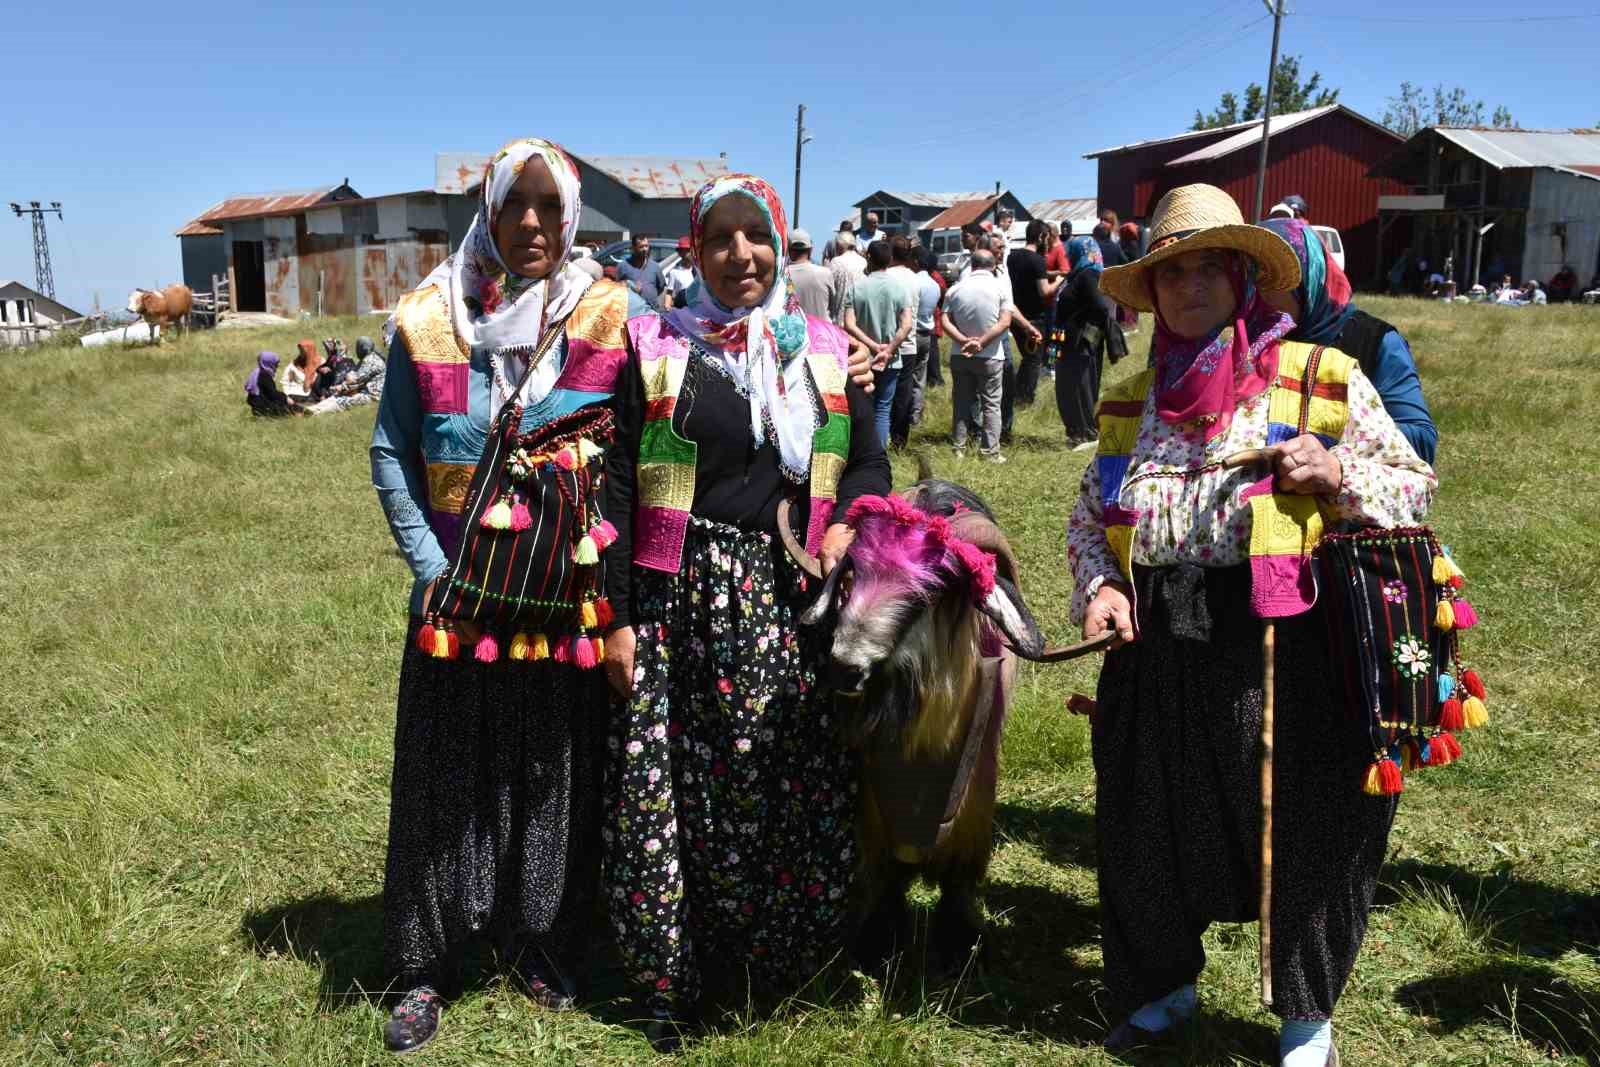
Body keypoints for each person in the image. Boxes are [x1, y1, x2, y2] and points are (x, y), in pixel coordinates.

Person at [1071, 183, 1435, 1067]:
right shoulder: (1129, 402)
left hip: (1284, 644)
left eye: (1208, 266)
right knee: (1145, 818)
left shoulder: (1317, 379)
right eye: (1170, 271)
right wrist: (1099, 589)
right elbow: (1090, 519)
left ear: (1243, 277)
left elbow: (1414, 486)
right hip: (1155, 643)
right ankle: (1163, 986)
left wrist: (1334, 468)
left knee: (1303, 826)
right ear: (1150, 292)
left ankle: (1306, 1018)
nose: (1189, 285)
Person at [602, 172, 890, 1052]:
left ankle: (780, 957)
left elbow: (871, 463)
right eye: (719, 237)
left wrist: (843, 525)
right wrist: (616, 614)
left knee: (784, 774)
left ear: (778, 241)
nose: (740, 255)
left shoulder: (824, 351)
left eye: (754, 234)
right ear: (693, 250)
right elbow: (617, 480)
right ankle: (677, 976)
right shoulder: (656, 347)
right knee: (676, 792)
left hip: (789, 593)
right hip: (676, 594)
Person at [368, 138, 640, 1055]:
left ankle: (538, 941)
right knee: (446, 779)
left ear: (571, 219)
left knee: (546, 770)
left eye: (549, 208)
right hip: (454, 604)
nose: (532, 223)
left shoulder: (608, 316)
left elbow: (645, 446)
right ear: (488, 210)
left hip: (562, 603)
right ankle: (428, 962)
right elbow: (390, 451)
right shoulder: (427, 317)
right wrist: (429, 567)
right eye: (515, 205)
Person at [1258, 217, 1438, 463]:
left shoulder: (1375, 342)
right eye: (1250, 277)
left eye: (1271, 278)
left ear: (1308, 279)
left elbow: (1422, 441)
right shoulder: (1247, 342)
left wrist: (1329, 436)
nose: (1256, 292)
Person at [940, 248, 1014, 462]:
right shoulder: (1000, 288)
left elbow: (945, 320)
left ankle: (958, 448)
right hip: (991, 355)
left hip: (960, 354)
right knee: (991, 404)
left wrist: (963, 341)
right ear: (993, 266)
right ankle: (989, 451)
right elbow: (1005, 321)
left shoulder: (956, 289)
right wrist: (981, 343)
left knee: (962, 402)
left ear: (972, 265)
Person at [843, 240, 914, 446]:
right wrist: (888, 349)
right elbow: (907, 325)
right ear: (890, 259)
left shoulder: (857, 287)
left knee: (862, 407)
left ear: (868, 258)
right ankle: (879, 452)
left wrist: (873, 347)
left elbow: (849, 323)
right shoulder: (900, 288)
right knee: (883, 409)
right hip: (891, 360)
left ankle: (860, 450)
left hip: (862, 357)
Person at [1049, 235, 1117, 448]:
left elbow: (1102, 308)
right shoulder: (1078, 274)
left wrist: (1088, 335)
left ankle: (1087, 433)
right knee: (1068, 387)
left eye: (1072, 251)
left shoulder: (1089, 275)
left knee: (1080, 387)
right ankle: (1076, 432)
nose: (1068, 254)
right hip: (1068, 343)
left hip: (1079, 345)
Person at [1006, 220, 1062, 410]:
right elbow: (1044, 291)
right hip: (1034, 319)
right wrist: (1060, 280)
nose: (1048, 241)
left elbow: (1032, 275)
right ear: (1040, 237)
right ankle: (1024, 399)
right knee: (1033, 360)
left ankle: (1016, 393)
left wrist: (1051, 272)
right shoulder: (1038, 260)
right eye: (1046, 237)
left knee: (1026, 357)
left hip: (1016, 316)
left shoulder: (1012, 257)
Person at [883, 236, 924, 447]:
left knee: (882, 394)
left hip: (884, 343)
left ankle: (881, 436)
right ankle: (900, 439)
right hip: (908, 344)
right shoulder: (914, 278)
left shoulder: (884, 275)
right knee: (903, 395)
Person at [308, 336, 386, 414]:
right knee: (337, 396)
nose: (357, 350)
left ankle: (316, 412)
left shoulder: (371, 361)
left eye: (358, 347)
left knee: (343, 401)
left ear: (362, 348)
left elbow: (356, 380)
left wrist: (341, 388)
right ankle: (312, 409)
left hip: (373, 396)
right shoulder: (368, 358)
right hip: (364, 391)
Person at [787, 228, 836, 323]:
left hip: (793, 335)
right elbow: (833, 307)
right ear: (810, 250)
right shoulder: (825, 274)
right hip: (822, 333)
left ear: (789, 250)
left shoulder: (782, 276)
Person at [918, 247, 947, 389]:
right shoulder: (934, 277)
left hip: (932, 319)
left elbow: (942, 297)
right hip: (931, 317)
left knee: (932, 352)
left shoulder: (935, 277)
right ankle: (932, 378)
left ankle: (936, 379)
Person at [826, 231, 867, 323]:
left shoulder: (836, 262)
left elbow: (829, 288)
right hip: (859, 318)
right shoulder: (864, 262)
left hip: (841, 317)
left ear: (839, 246)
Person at [616, 232, 666, 305]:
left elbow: (661, 287)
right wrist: (631, 289)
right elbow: (616, 288)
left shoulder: (655, 266)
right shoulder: (623, 266)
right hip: (632, 310)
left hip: (651, 310)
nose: (645, 249)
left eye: (646, 246)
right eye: (641, 247)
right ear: (633, 248)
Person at [245, 350, 296, 416]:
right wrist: (286, 398)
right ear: (269, 363)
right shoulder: (265, 376)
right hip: (264, 409)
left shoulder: (257, 371)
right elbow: (273, 395)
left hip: (257, 408)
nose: (277, 366)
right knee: (293, 409)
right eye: (275, 363)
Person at [663, 236, 696, 308]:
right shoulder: (674, 272)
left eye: (689, 250)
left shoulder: (699, 269)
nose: (688, 253)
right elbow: (669, 292)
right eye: (685, 250)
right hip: (682, 308)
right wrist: (667, 305)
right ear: (680, 252)